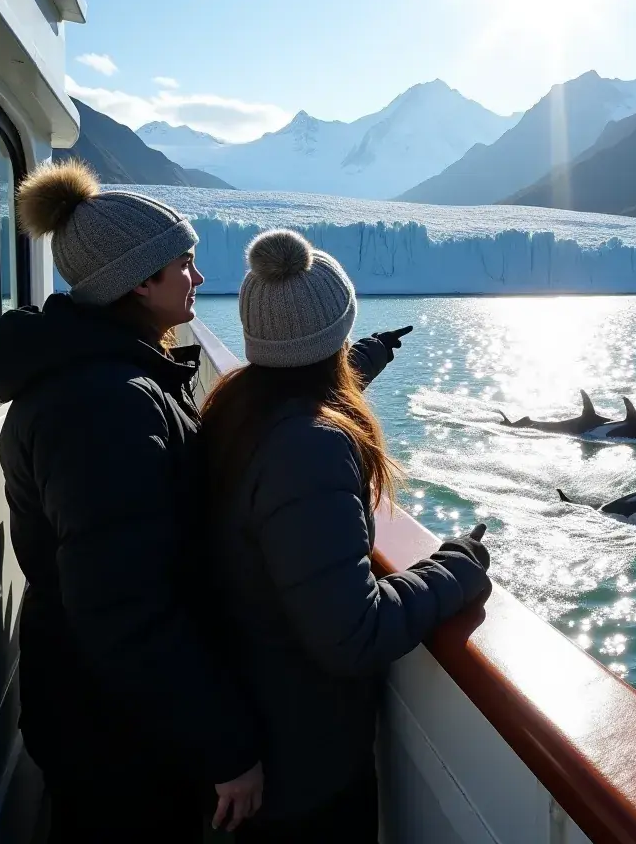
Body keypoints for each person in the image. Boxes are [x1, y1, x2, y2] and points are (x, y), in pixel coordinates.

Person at [0, 161, 264, 843]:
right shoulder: (103, 405)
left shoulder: (99, 375)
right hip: (115, 736)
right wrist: (225, 746)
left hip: (101, 712)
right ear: (140, 280)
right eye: (184, 263)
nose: (197, 277)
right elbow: (123, 607)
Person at [202, 228, 492, 843]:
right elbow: (352, 635)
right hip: (303, 768)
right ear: (334, 335)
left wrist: (370, 355)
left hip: (260, 719)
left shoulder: (236, 408)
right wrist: (458, 566)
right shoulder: (310, 449)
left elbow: (303, 379)